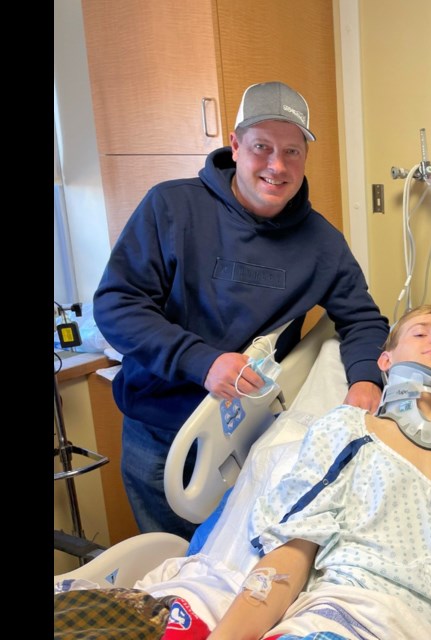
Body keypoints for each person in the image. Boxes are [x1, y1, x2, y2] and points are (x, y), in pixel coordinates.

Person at [93, 81, 390, 541]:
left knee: (239, 574)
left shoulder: (322, 244)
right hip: (161, 439)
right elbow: (116, 304)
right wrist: (202, 360)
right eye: (262, 147)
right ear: (234, 146)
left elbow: (363, 319)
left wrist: (367, 378)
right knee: (175, 576)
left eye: (292, 151)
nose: (277, 166)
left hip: (254, 444)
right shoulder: (172, 207)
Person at [200, 304, 431, 639]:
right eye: (420, 332)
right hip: (340, 618)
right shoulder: (348, 429)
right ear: (386, 361)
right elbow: (295, 543)